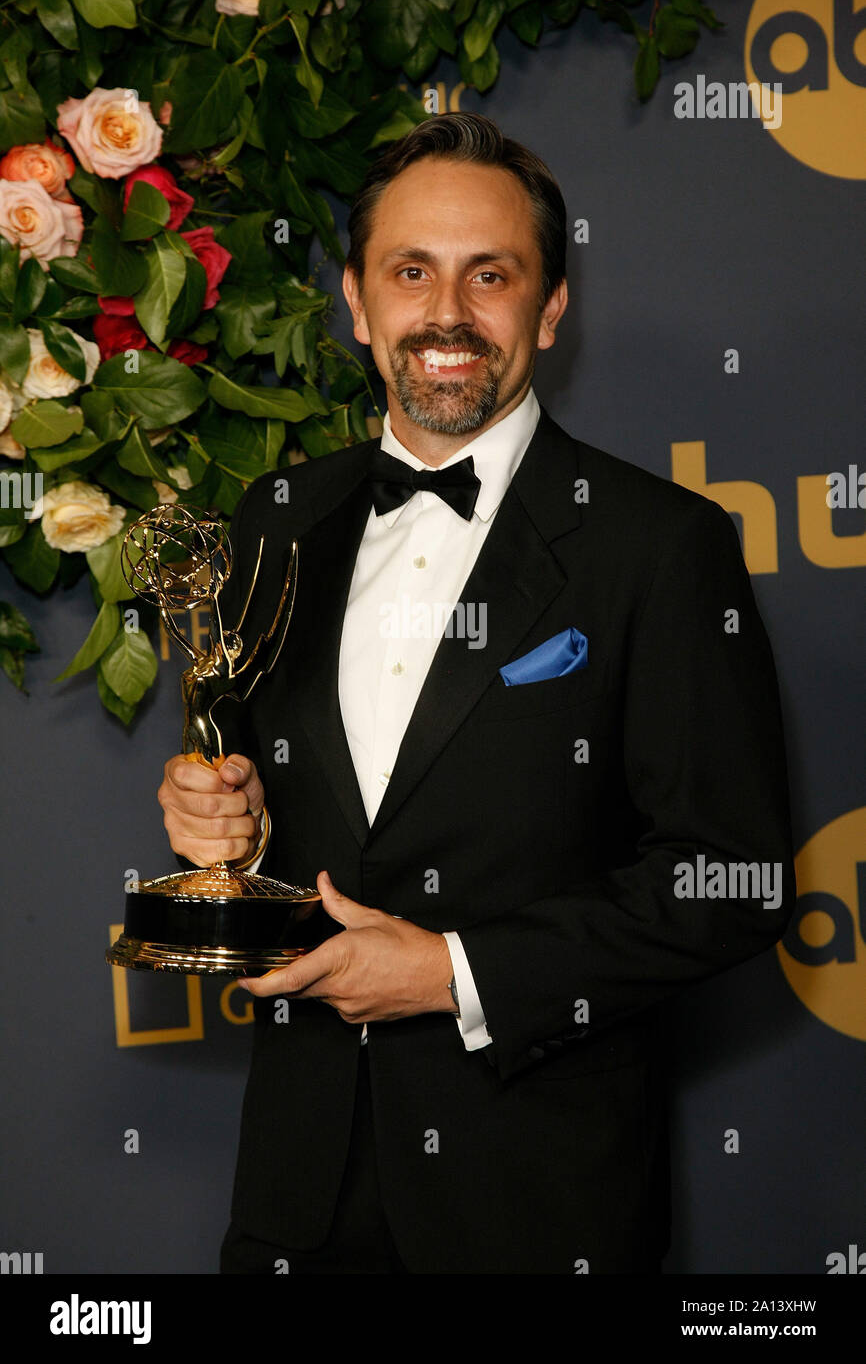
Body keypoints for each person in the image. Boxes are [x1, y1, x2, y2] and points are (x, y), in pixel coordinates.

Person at [157, 113, 795, 1275]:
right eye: (411, 271)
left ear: (549, 309)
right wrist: (219, 820)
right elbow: (253, 805)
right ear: (356, 301)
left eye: (487, 274)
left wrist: (451, 972)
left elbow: (728, 882)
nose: (445, 314)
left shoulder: (661, 547)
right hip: (293, 1198)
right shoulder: (273, 524)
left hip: (536, 1210)